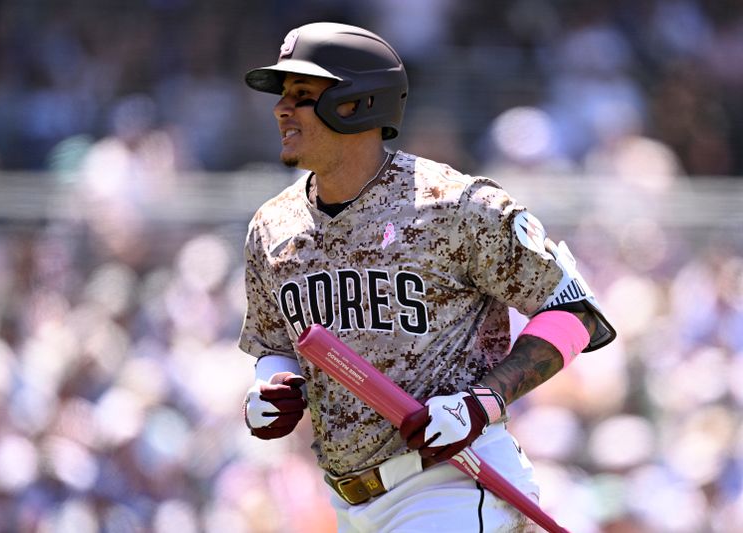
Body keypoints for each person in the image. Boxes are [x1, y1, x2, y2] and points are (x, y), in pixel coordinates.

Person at [238, 22, 616, 532]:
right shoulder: (272, 225)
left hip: (454, 483)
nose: (281, 109)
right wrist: (271, 386)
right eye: (283, 96)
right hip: (350, 504)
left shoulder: (456, 205)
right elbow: (274, 344)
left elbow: (574, 313)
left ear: (356, 103)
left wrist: (482, 403)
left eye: (302, 95)